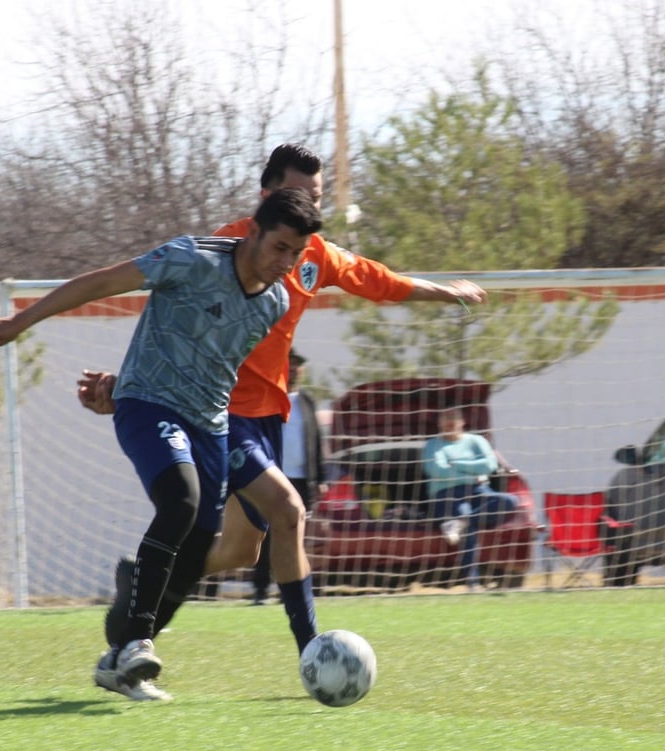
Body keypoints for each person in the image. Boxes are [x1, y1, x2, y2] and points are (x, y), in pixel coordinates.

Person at [80, 143, 487, 692]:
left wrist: (447, 293)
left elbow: (378, 279)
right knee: (289, 510)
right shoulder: (228, 246)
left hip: (268, 415)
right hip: (219, 412)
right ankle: (313, 652)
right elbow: (169, 321)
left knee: (240, 550)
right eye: (300, 193)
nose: (311, 204)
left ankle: (136, 606)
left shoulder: (312, 252)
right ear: (267, 194)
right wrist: (123, 384)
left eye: (317, 196)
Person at [0, 187, 323, 702]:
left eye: (296, 253)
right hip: (149, 405)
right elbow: (102, 282)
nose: (286, 262)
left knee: (199, 542)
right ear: (253, 231)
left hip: (211, 425)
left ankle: (122, 661)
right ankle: (137, 640)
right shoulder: (190, 258)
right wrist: (18, 322)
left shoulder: (272, 304)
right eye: (279, 247)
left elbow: (209, 360)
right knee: (179, 500)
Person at [250, 348, 325, 604]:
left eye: (297, 365)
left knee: (296, 538)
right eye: (288, 364)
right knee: (266, 535)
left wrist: (321, 477)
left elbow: (316, 440)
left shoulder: (307, 402)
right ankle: (260, 589)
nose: (293, 369)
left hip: (302, 480)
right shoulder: (269, 399)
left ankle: (290, 591)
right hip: (271, 476)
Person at [422, 407, 521, 589]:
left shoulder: (477, 441)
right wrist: (470, 473)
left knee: (510, 501)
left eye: (454, 417)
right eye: (445, 417)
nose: (450, 421)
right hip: (447, 494)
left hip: (479, 490)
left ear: (462, 421)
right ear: (439, 423)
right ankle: (472, 583)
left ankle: (458, 523)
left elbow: (489, 465)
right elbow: (437, 470)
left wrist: (457, 464)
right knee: (466, 519)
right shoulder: (433, 445)